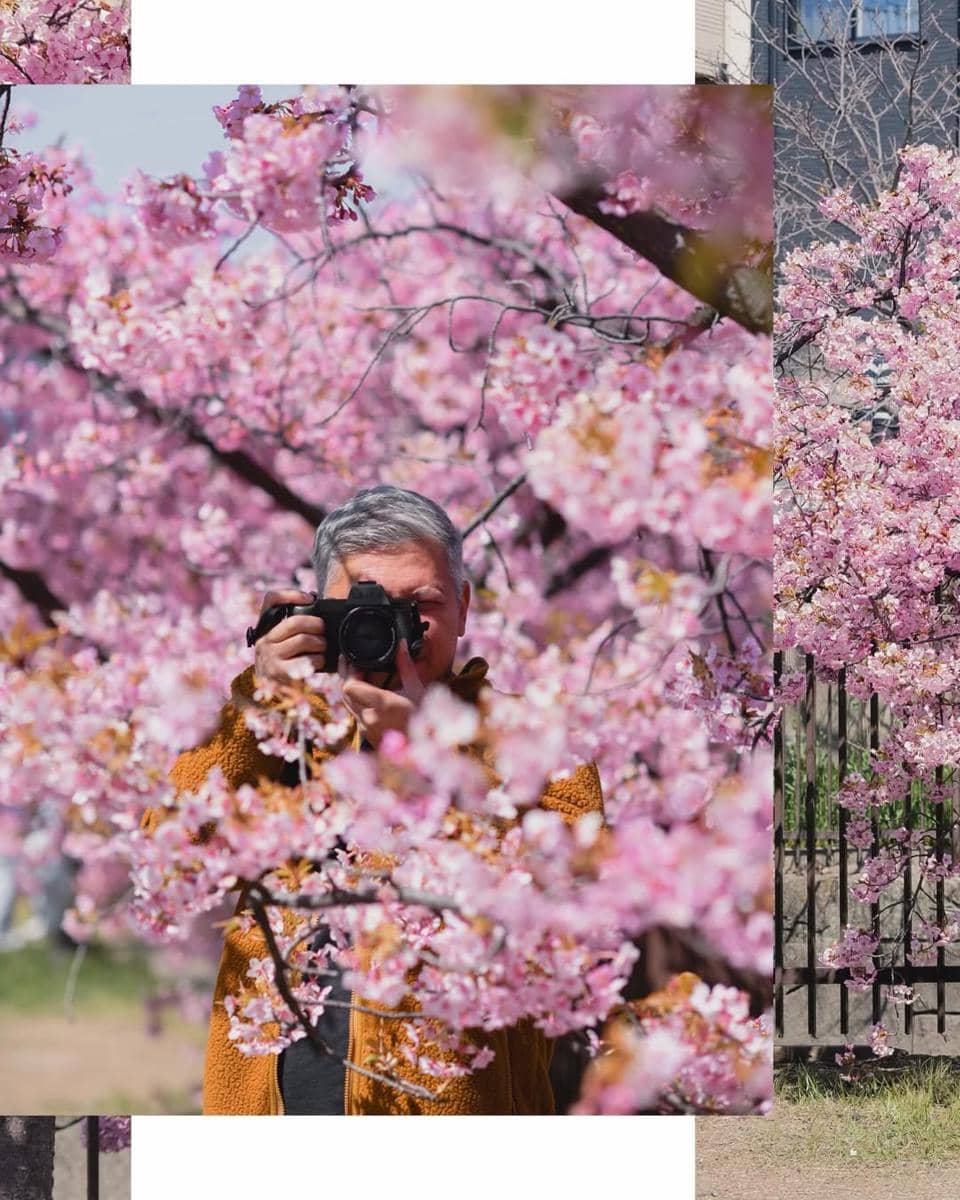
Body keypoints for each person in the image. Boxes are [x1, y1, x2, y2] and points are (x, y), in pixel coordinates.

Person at [151, 485, 603, 1114]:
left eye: (420, 605)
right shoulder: (280, 729)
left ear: (466, 605)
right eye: (363, 610)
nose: (391, 631)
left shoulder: (537, 744)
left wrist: (429, 761)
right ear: (319, 612)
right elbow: (168, 854)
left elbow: (576, 914)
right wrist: (255, 709)